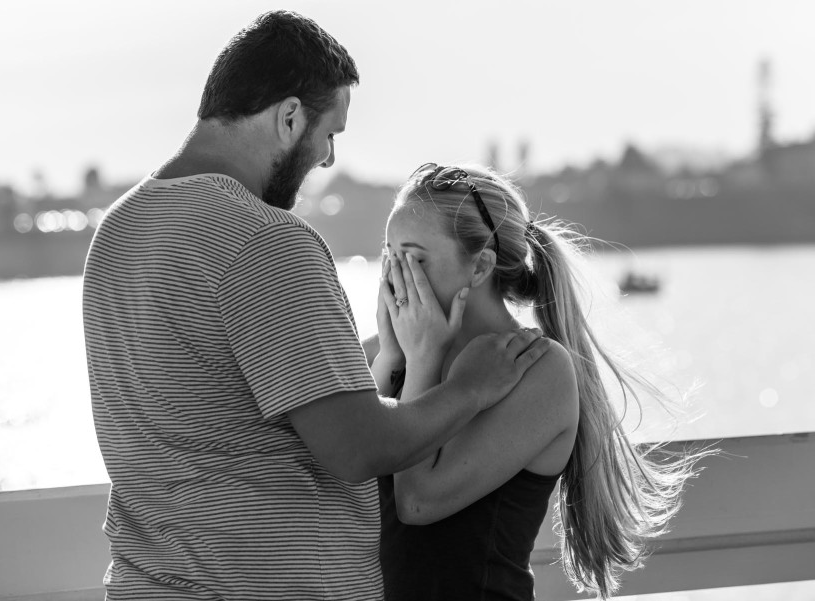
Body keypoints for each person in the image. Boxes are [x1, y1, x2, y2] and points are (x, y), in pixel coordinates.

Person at [82, 13, 550, 601]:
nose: (327, 159)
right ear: (288, 117)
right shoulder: (265, 239)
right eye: (331, 134)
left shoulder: (119, 228)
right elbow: (359, 447)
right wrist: (472, 388)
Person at [369, 163, 708, 600]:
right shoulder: (387, 353)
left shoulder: (539, 369)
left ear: (480, 267)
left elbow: (416, 502)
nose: (395, 276)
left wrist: (422, 360)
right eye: (388, 255)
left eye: (413, 258)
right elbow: (345, 472)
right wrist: (393, 359)